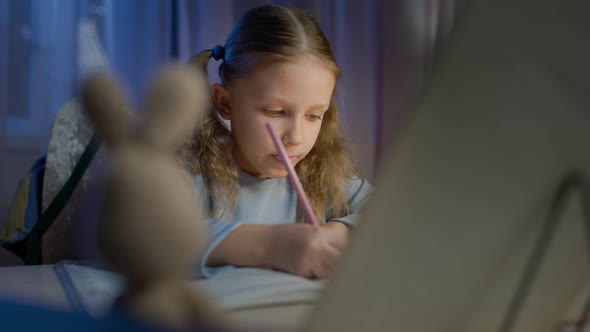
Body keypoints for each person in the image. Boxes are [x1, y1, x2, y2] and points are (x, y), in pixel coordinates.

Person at [178, 4, 374, 279]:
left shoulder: (320, 175)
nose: (295, 137)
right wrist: (270, 245)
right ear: (225, 102)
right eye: (275, 112)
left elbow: (388, 213)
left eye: (314, 115)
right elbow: (148, 234)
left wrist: (340, 231)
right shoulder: (190, 174)